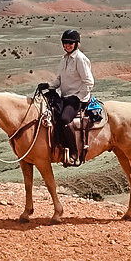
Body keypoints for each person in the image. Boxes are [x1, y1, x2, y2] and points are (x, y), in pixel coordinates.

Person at [43, 28, 94, 163]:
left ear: (76, 44)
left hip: (78, 98)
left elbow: (89, 82)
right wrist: (48, 85)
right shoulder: (64, 59)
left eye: (70, 43)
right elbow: (59, 80)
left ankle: (74, 152)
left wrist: (77, 97)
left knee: (65, 119)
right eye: (65, 43)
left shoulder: (80, 59)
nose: (67, 45)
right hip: (65, 97)